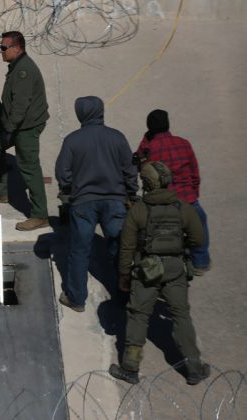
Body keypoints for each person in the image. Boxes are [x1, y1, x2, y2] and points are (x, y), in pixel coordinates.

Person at [109, 161, 210, 386]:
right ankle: (194, 367)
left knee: (138, 316)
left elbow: (126, 248)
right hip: (175, 270)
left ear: (146, 183)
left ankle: (130, 368)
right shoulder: (182, 208)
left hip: (146, 271)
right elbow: (198, 239)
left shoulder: (138, 210)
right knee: (181, 315)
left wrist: (124, 276)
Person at [54, 96, 138, 312]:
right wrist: (130, 192)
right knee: (119, 248)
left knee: (79, 251)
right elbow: (130, 170)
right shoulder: (117, 137)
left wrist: (72, 189)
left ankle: (76, 297)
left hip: (83, 203)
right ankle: (124, 295)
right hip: (115, 202)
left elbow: (62, 173)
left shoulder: (72, 140)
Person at [0, 31, 50, 231]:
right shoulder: (17, 66)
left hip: (26, 126)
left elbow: (21, 105)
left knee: (29, 167)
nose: (0, 51)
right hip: (14, 123)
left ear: (16, 49)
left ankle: (40, 215)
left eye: (3, 48)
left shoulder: (23, 71)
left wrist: (8, 129)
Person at [136, 109, 210, 275]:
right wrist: (193, 194)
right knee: (201, 221)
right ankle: (201, 261)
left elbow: (141, 167)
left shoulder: (150, 148)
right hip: (187, 199)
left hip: (162, 202)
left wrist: (145, 140)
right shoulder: (184, 143)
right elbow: (194, 173)